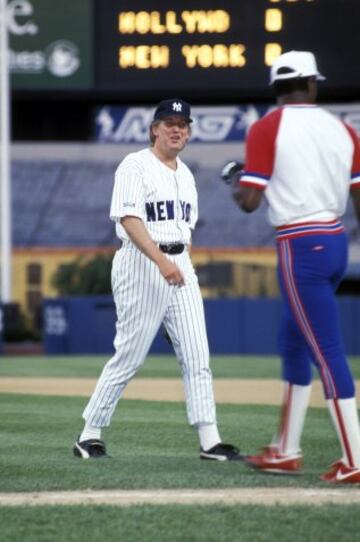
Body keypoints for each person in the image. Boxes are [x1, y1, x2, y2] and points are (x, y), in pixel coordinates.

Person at [73, 98, 241, 461]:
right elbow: (129, 219)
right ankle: (89, 433)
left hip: (180, 263)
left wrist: (177, 264)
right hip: (142, 263)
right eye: (169, 122)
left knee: (197, 354)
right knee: (130, 356)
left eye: (183, 123)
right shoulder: (135, 165)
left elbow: (186, 227)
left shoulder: (186, 174)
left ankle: (210, 440)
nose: (177, 128)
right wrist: (162, 261)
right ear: (154, 129)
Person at [230, 51, 360, 483]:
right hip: (336, 240)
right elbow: (359, 199)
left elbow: (249, 202)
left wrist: (238, 180)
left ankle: (355, 459)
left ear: (275, 87)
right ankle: (286, 448)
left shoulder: (268, 127)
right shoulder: (344, 129)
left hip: (300, 246)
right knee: (292, 343)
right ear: (311, 83)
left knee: (326, 353)